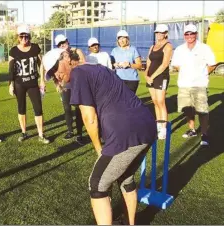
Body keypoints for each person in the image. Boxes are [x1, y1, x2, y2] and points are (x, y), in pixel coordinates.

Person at [43, 48, 156, 225]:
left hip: (125, 133)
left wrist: (98, 149)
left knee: (97, 184)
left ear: (65, 57)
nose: (56, 76)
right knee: (125, 177)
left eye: (55, 69)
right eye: (51, 74)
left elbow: (89, 118)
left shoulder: (78, 74)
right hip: (147, 126)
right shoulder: (96, 67)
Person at [171, 24, 216, 146]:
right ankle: (192, 130)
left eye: (192, 33)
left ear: (196, 34)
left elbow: (212, 64)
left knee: (202, 110)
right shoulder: (180, 49)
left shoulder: (204, 48)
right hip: (184, 84)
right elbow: (175, 64)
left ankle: (204, 134)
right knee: (188, 109)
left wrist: (202, 73)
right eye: (187, 34)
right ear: (184, 35)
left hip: (199, 84)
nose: (189, 36)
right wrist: (186, 72)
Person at [8, 24, 49, 144]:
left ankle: (41, 134)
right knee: (21, 108)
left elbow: (41, 64)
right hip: (19, 83)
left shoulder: (35, 48)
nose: (24, 38)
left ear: (29, 36)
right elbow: (11, 69)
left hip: (32, 83)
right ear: (18, 37)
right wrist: (10, 84)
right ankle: (24, 132)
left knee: (38, 108)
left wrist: (42, 80)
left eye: (26, 36)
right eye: (21, 36)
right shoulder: (14, 50)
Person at [53, 34, 85, 144]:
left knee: (78, 109)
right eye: (60, 44)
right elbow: (54, 71)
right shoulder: (57, 56)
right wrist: (57, 84)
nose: (63, 45)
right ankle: (70, 131)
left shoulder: (77, 51)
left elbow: (84, 64)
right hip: (65, 86)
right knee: (67, 109)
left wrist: (71, 64)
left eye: (64, 42)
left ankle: (80, 133)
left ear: (67, 41)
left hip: (77, 85)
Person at [145, 24, 173, 140]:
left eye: (161, 33)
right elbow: (148, 61)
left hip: (162, 77)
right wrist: (146, 74)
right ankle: (158, 126)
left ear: (165, 33)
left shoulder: (168, 46)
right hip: (150, 77)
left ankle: (164, 128)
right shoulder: (153, 46)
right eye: (157, 33)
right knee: (155, 101)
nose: (158, 35)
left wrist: (153, 76)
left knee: (161, 101)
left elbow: (165, 64)